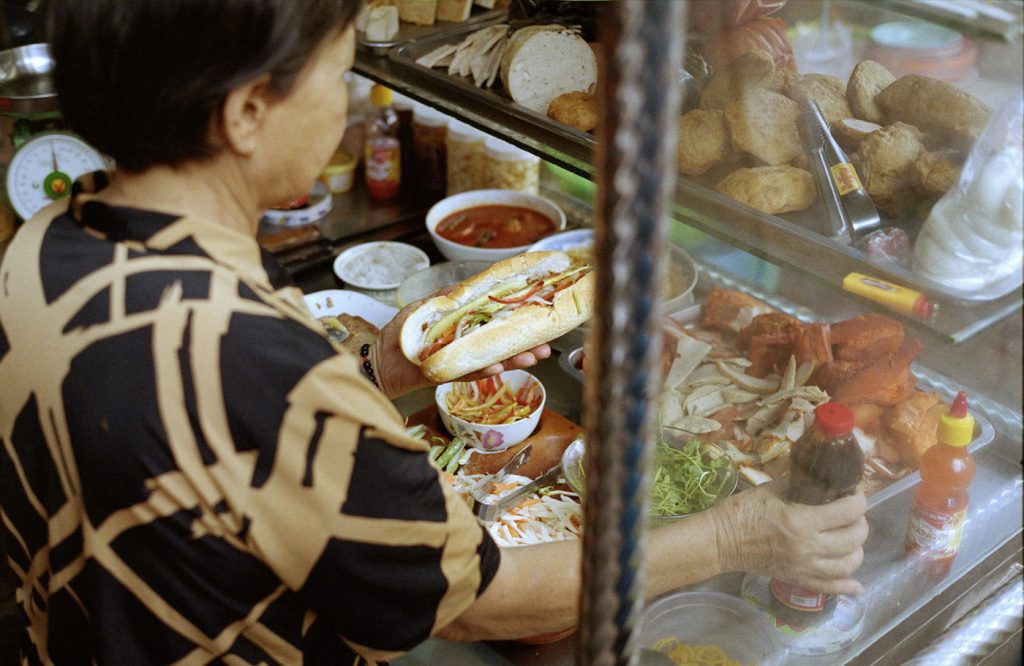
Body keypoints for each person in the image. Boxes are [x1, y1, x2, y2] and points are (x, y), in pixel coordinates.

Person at [0, 1, 868, 663]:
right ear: (245, 112)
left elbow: (208, 450)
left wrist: (378, 365)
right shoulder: (276, 378)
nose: (342, 103)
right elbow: (482, 598)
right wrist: (739, 534)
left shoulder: (41, 246)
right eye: (336, 71)